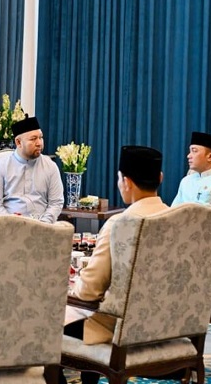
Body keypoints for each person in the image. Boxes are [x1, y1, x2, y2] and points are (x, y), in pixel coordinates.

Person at [63, 146, 168, 384]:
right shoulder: (181, 220)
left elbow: (89, 291)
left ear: (126, 182)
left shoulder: (120, 224)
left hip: (117, 330)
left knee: (46, 320)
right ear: (160, 178)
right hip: (167, 328)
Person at [0, 116, 64, 223]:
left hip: (42, 226)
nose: (39, 143)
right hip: (9, 226)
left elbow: (56, 203)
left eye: (41, 137)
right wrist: (10, 223)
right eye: (33, 139)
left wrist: (43, 224)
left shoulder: (51, 167)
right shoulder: (1, 167)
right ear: (18, 142)